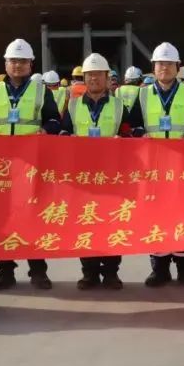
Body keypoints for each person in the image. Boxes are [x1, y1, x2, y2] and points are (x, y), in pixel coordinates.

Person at [0, 39, 62, 291]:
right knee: (4, 219)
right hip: (1, 165)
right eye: (13, 61)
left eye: (22, 61)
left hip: (31, 164)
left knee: (33, 216)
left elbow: (54, 121)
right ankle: (5, 271)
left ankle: (38, 271)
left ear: (30, 65)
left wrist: (45, 131)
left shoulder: (41, 91)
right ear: (6, 64)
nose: (17, 65)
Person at [126, 42, 184, 288]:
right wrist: (141, 135)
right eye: (160, 64)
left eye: (169, 64)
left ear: (178, 67)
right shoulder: (143, 94)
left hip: (183, 164)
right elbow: (132, 125)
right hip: (154, 166)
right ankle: (159, 269)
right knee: (156, 216)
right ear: (153, 68)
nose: (164, 68)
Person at [60, 52, 128, 290]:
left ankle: (111, 273)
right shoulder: (73, 105)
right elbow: (64, 133)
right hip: (83, 176)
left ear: (108, 78)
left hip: (112, 176)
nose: (94, 79)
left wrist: (124, 140)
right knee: (86, 223)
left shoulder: (119, 106)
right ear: (84, 78)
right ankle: (89, 273)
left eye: (98, 75)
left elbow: (130, 133)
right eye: (89, 75)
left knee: (112, 223)